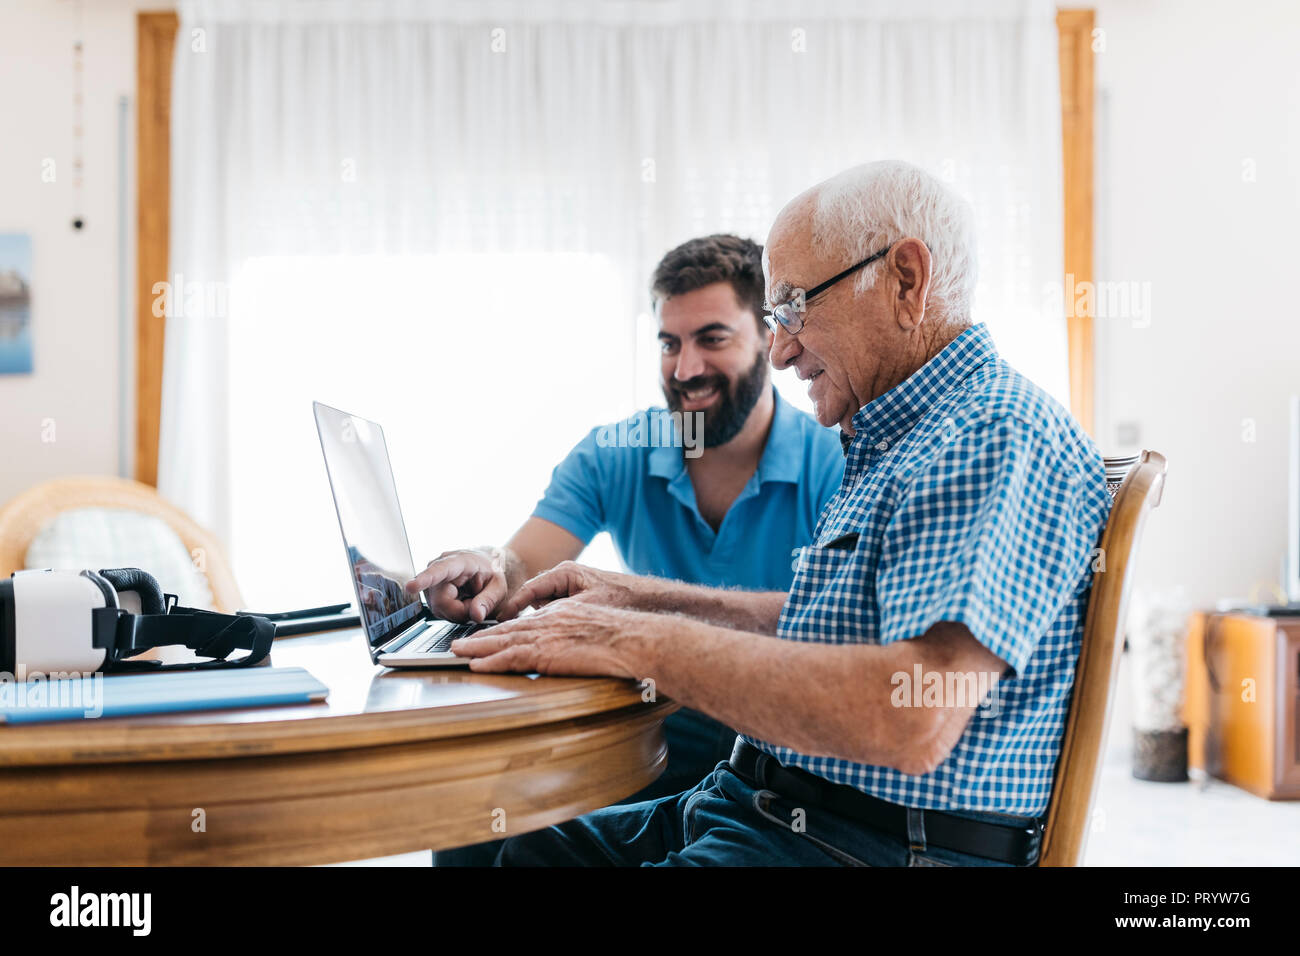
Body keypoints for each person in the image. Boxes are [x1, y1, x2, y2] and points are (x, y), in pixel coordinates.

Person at [449, 160, 1112, 867]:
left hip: (864, 840)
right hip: (758, 804)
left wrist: (630, 640)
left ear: (907, 281)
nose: (786, 347)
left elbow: (912, 717)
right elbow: (834, 627)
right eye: (776, 316)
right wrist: (636, 598)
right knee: (474, 840)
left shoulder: (990, 434)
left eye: (795, 306)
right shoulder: (898, 432)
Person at [413, 235, 844, 863]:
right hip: (652, 724)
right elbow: (521, 566)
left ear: (768, 338)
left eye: (712, 338)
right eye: (670, 343)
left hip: (768, 736)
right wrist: (487, 567)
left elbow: (842, 626)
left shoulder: (832, 461)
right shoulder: (616, 451)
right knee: (470, 823)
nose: (686, 368)